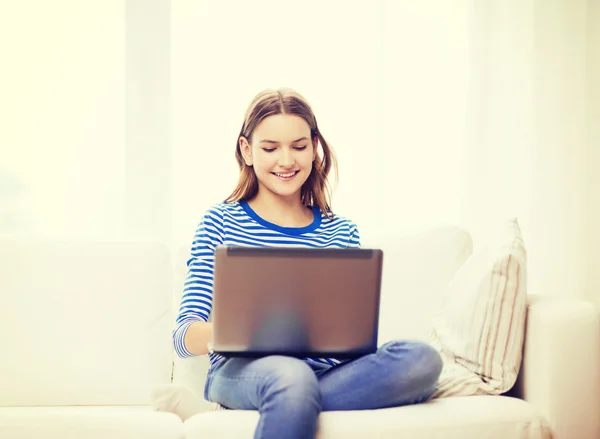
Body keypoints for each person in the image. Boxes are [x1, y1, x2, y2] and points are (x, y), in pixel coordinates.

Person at [166, 88, 443, 438]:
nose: (286, 161)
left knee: (422, 359)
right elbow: (183, 336)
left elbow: (347, 335)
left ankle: (293, 400)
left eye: (299, 147)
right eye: (270, 148)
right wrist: (248, 329)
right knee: (290, 376)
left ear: (314, 148)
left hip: (324, 372)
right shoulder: (219, 222)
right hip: (241, 371)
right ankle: (289, 393)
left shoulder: (341, 231)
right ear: (246, 151)